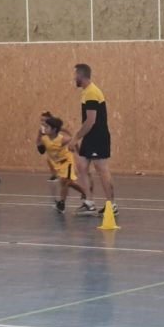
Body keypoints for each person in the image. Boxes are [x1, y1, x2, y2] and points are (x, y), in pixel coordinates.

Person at [70, 64, 116, 216]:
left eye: (75, 75)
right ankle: (89, 203)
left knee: (101, 169)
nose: (74, 78)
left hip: (98, 136)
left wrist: (75, 138)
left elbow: (90, 121)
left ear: (81, 76)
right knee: (82, 166)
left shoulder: (91, 92)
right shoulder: (86, 92)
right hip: (90, 136)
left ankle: (111, 205)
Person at [37, 115, 89, 212]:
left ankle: (61, 204)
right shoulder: (45, 139)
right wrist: (39, 134)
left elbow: (74, 140)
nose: (45, 128)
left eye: (47, 127)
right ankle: (84, 192)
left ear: (54, 130)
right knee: (69, 183)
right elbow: (40, 149)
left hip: (67, 162)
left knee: (64, 181)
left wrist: (79, 153)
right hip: (57, 164)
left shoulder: (62, 139)